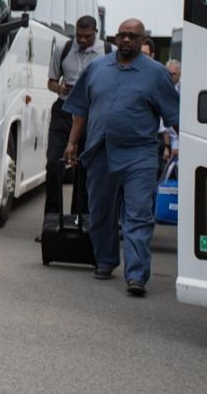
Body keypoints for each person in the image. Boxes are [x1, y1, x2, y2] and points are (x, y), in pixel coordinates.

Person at [64, 18, 179, 297]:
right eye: (122, 35)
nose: (126, 40)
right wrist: (72, 143)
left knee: (138, 213)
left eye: (133, 36)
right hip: (100, 149)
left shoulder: (155, 74)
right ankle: (105, 260)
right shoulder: (97, 68)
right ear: (115, 38)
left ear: (143, 41)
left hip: (139, 153)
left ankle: (136, 274)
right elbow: (80, 108)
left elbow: (175, 116)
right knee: (101, 211)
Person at [45, 15, 109, 213]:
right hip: (64, 111)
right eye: (78, 36)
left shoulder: (108, 52)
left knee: (84, 168)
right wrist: (60, 88)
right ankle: (52, 220)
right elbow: (51, 82)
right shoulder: (63, 49)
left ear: (95, 33)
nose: (81, 40)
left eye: (86, 36)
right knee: (54, 164)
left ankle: (79, 219)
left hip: (91, 115)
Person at [161, 59, 182, 163]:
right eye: (169, 74)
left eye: (174, 74)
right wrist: (167, 146)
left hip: (180, 138)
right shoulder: (161, 88)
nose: (171, 77)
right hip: (167, 139)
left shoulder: (184, 89)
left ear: (180, 74)